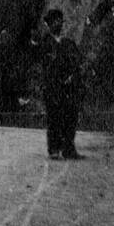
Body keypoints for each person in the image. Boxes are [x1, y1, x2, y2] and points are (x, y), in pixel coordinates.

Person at [35, 9, 82, 159]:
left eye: (60, 21)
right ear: (49, 24)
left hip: (68, 86)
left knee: (70, 116)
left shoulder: (67, 42)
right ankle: (54, 148)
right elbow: (45, 66)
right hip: (52, 86)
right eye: (55, 21)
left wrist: (72, 76)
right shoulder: (45, 43)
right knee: (54, 117)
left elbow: (76, 62)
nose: (59, 24)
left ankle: (68, 147)